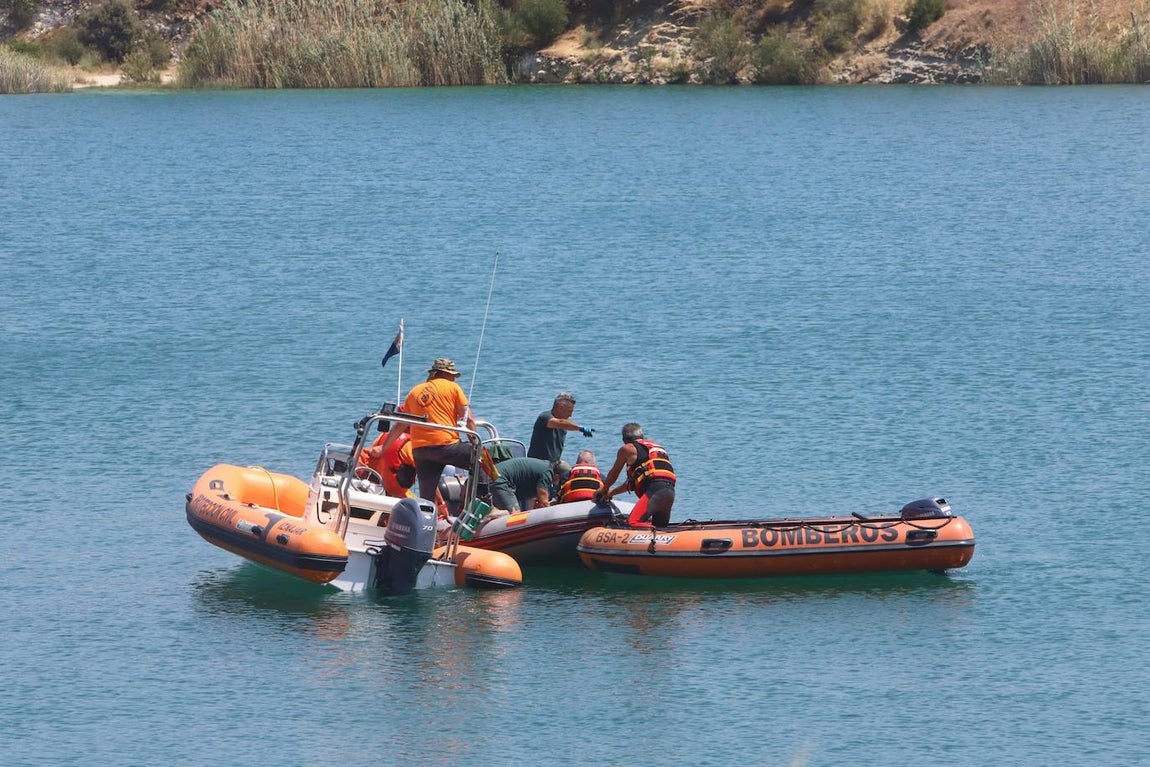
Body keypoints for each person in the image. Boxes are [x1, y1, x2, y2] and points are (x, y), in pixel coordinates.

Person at [380, 357, 476, 503]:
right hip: (446, 445)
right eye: (452, 376)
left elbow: (400, 424)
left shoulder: (414, 392)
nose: (454, 379)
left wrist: (383, 448)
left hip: (421, 450)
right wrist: (474, 442)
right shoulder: (452, 387)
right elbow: (468, 419)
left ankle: (427, 521)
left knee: (427, 497)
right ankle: (486, 502)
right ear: (444, 374)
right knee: (482, 460)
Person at [594, 422, 676, 528]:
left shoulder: (628, 448)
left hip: (655, 491)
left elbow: (613, 474)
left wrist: (604, 489)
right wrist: (611, 493)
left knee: (633, 523)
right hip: (669, 492)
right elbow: (632, 484)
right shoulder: (657, 449)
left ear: (624, 440)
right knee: (660, 528)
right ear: (642, 437)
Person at [527, 391, 594, 463]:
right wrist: (580, 428)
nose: (571, 415)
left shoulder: (565, 422)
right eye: (569, 411)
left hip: (554, 463)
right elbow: (560, 423)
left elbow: (564, 423)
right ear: (560, 408)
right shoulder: (545, 417)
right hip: (537, 463)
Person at [487, 456, 560, 512]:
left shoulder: (543, 467)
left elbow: (533, 503)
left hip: (493, 474)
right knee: (514, 515)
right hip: (500, 480)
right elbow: (544, 502)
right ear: (557, 476)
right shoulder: (547, 472)